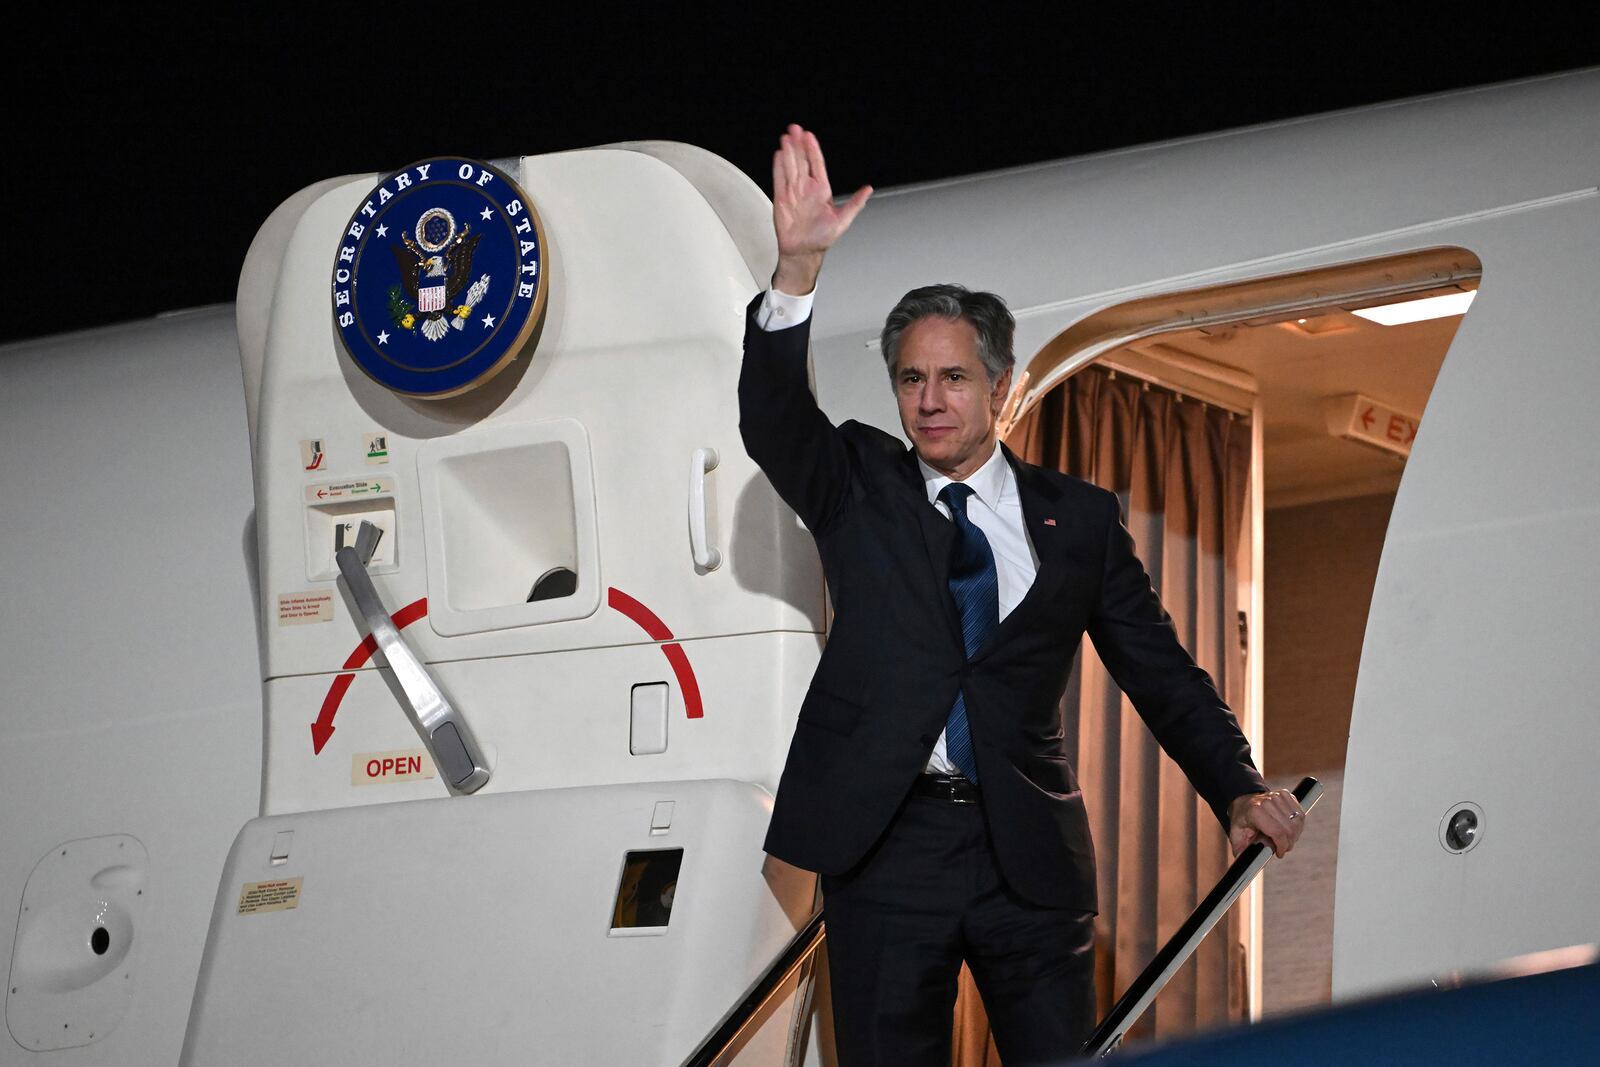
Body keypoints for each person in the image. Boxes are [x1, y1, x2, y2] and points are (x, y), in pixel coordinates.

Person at [738, 125, 1305, 1066]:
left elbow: (1158, 667)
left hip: (1028, 853)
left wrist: (1237, 787)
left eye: (953, 377)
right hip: (886, 848)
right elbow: (771, 418)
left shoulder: (1076, 519)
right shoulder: (858, 484)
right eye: (911, 380)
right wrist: (796, 269)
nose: (929, 401)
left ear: (1000, 386)